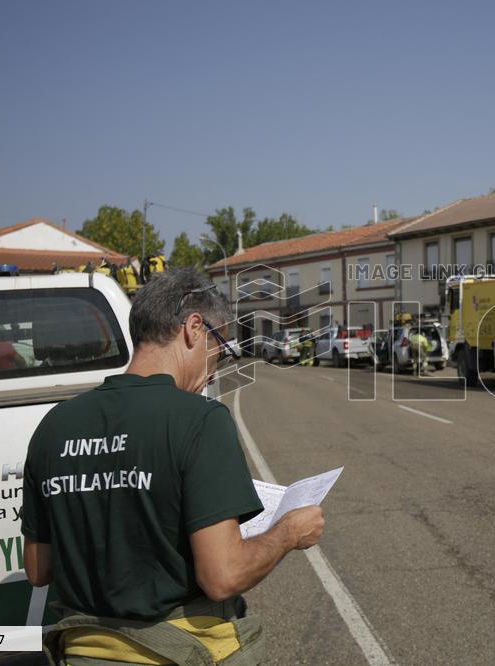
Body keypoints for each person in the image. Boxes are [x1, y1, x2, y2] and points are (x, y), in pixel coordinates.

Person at [22, 269, 325, 665]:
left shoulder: (54, 426)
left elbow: (37, 569)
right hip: (180, 652)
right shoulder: (201, 421)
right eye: (221, 348)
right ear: (193, 328)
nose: (216, 369)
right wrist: (288, 533)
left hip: (82, 652)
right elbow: (223, 577)